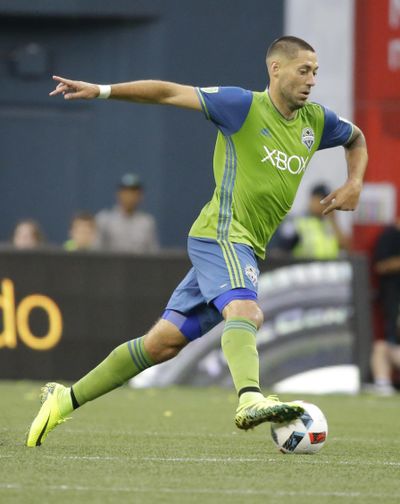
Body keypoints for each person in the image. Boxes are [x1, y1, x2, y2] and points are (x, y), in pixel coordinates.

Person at [26, 36, 368, 447]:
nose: (311, 79)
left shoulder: (316, 121)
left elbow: (357, 138)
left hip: (246, 247)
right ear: (275, 69)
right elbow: (169, 93)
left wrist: (355, 182)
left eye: (315, 71)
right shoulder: (241, 106)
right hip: (221, 234)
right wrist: (101, 90)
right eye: (303, 70)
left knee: (161, 344)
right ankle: (249, 399)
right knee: (246, 309)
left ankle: (63, 399)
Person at [275, 183, 351, 259]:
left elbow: (345, 247)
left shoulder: (330, 224)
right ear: (312, 200)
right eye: (322, 200)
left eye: (328, 201)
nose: (325, 204)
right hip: (304, 269)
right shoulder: (298, 222)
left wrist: (333, 220)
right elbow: (281, 252)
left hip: (329, 269)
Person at [370, 217, 400, 395]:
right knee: (389, 343)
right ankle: (382, 382)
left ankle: (382, 382)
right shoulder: (389, 236)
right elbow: (380, 266)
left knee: (385, 345)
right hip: (394, 301)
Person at [96, 173, 160, 254]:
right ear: (118, 194)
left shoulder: (147, 222)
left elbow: (153, 253)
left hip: (139, 265)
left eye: (134, 192)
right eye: (126, 192)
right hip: (111, 265)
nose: (129, 196)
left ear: (140, 196)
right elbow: (96, 251)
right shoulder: (105, 219)